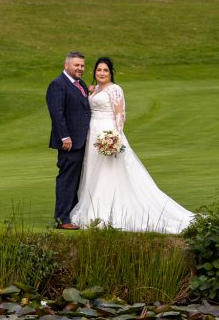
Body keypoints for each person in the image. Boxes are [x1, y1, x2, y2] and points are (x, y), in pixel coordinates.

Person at [69, 57, 195, 234]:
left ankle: (108, 212)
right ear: (95, 72)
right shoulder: (94, 89)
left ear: (111, 72)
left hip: (108, 133)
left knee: (109, 173)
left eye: (105, 70)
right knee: (93, 172)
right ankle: (93, 209)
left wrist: (115, 137)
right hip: (93, 135)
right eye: (99, 70)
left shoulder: (115, 89)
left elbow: (120, 114)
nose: (102, 73)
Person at [47, 52, 92, 230]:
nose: (80, 68)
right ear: (66, 65)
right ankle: (62, 219)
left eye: (82, 65)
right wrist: (64, 136)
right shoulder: (58, 85)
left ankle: (71, 215)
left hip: (81, 141)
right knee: (66, 179)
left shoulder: (80, 83)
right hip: (69, 142)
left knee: (75, 179)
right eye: (76, 65)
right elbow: (57, 114)